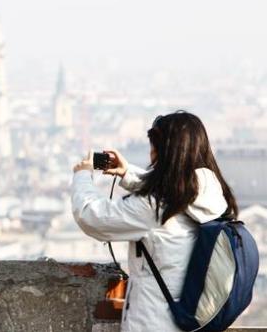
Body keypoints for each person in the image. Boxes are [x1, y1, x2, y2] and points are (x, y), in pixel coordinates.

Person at [71, 111, 239, 332]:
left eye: (154, 147)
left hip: (155, 322)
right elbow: (170, 192)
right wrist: (127, 173)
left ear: (165, 152)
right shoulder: (208, 190)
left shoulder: (156, 207)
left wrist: (82, 175)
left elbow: (93, 217)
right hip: (189, 318)